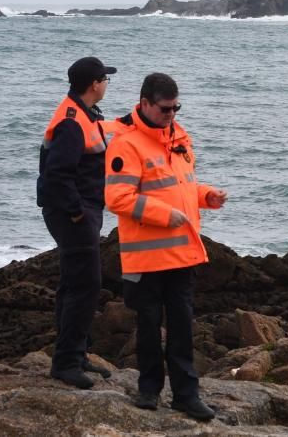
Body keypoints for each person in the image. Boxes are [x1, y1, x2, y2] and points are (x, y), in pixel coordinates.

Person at [105, 72, 227, 421]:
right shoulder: (126, 144)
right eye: (165, 109)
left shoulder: (180, 138)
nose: (171, 114)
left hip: (181, 253)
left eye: (176, 108)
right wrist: (163, 214)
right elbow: (117, 198)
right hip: (146, 255)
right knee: (147, 324)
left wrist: (207, 196)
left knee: (182, 326)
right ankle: (148, 390)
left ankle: (186, 395)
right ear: (145, 104)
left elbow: (182, 187)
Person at [37, 56, 119, 389]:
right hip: (73, 213)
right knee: (85, 286)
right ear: (94, 84)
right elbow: (57, 174)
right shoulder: (72, 121)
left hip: (82, 210)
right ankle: (67, 363)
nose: (107, 84)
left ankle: (76, 352)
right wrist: (77, 213)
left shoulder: (84, 113)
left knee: (74, 284)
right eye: (106, 79)